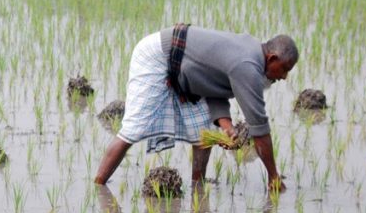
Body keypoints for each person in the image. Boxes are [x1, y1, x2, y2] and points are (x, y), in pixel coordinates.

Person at [94, 24, 298, 191]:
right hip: (157, 55)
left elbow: (214, 86)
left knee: (204, 132)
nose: (284, 77)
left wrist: (226, 127)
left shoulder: (251, 55)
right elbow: (259, 128)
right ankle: (98, 187)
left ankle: (197, 189)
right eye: (284, 69)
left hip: (181, 65)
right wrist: (273, 177)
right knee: (134, 129)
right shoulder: (247, 65)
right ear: (272, 58)